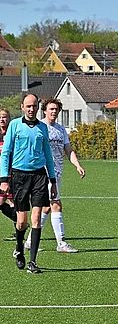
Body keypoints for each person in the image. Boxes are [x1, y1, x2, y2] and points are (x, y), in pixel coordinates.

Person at [0, 93, 57, 274]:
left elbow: (48, 155)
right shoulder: (15, 125)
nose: (32, 109)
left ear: (38, 107)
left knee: (36, 218)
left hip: (39, 175)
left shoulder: (43, 127)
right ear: (22, 107)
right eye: (28, 106)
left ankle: (33, 262)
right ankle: (19, 249)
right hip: (19, 176)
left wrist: (53, 180)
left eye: (34, 106)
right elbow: (6, 152)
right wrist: (4, 179)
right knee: (22, 222)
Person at [25, 98, 84, 253]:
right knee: (56, 204)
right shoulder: (40, 127)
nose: (54, 111)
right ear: (44, 110)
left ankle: (30, 241)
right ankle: (61, 243)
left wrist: (77, 165)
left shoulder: (61, 130)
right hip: (43, 173)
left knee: (46, 208)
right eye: (51, 109)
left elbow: (68, 149)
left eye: (56, 109)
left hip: (57, 172)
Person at [0, 109, 18, 223]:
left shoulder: (12, 134)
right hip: (1, 173)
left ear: (9, 119)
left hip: (10, 173)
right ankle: (21, 223)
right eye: (0, 117)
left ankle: (19, 226)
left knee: (12, 201)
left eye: (4, 117)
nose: (2, 119)